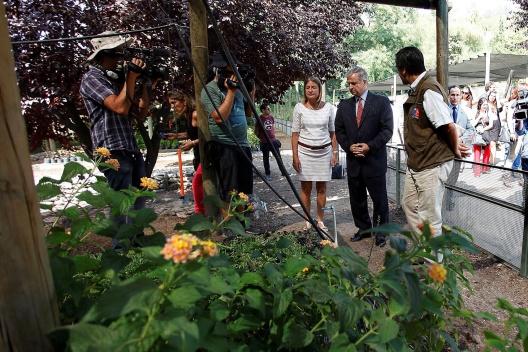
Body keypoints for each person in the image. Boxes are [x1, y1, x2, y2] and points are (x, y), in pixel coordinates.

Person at [80, 31, 157, 251]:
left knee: (138, 200)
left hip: (129, 147)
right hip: (111, 149)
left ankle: (137, 245)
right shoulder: (92, 78)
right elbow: (119, 106)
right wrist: (130, 77)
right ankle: (122, 251)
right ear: (103, 55)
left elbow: (140, 113)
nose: (121, 60)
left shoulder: (118, 80)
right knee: (122, 204)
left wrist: (147, 84)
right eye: (117, 55)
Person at [395, 47, 470, 253]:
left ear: (403, 70)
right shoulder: (417, 89)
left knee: (429, 218)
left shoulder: (428, 90)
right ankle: (426, 251)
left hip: (432, 164)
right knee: (409, 206)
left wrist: (455, 149)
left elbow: (448, 125)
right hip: (418, 163)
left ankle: (435, 272)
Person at [334, 67, 393, 247]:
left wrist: (369, 146)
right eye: (349, 84)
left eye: (354, 83)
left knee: (379, 199)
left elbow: (387, 130)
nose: (351, 87)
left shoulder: (381, 102)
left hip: (373, 160)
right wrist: (348, 146)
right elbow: (339, 130)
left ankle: (381, 232)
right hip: (354, 161)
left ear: (364, 82)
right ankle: (364, 228)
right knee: (357, 199)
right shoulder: (344, 106)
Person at [200, 50, 255, 216]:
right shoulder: (210, 90)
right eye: (231, 72)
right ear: (219, 71)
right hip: (225, 146)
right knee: (229, 190)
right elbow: (219, 117)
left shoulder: (238, 88)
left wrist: (251, 91)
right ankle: (231, 227)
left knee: (243, 189)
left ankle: (242, 226)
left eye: (236, 72)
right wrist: (230, 92)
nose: (234, 76)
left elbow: (249, 113)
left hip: (243, 145)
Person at [292, 77, 338, 231]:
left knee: (322, 188)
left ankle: (320, 220)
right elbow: (295, 134)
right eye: (307, 87)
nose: (310, 90)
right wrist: (295, 156)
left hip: (324, 152)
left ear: (319, 90)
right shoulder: (299, 108)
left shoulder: (329, 108)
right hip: (305, 152)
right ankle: (307, 220)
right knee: (306, 188)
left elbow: (333, 133)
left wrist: (335, 153)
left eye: (313, 87)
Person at [166, 91, 204, 216]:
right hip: (199, 155)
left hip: (207, 155)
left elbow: (208, 135)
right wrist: (176, 136)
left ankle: (200, 215)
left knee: (196, 183)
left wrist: (192, 143)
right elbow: (193, 133)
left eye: (174, 102)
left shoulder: (195, 114)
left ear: (184, 100)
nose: (172, 107)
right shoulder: (188, 115)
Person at [445, 85, 475, 210]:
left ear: (461, 96)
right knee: (444, 176)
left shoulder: (464, 112)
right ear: (448, 96)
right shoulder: (444, 110)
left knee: (453, 177)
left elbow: (471, 129)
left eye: (457, 95)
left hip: (458, 151)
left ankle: (449, 198)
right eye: (452, 95)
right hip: (445, 150)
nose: (455, 97)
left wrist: (461, 139)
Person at [255, 103, 282, 181]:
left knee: (278, 157)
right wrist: (261, 138)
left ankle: (283, 172)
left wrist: (273, 137)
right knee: (266, 158)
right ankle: (267, 174)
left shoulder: (271, 118)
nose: (269, 110)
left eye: (269, 109)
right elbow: (256, 131)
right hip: (264, 142)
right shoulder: (259, 119)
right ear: (263, 110)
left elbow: (272, 128)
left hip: (273, 141)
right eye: (268, 109)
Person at [471, 97, 493, 177]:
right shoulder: (475, 112)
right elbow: (472, 124)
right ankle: (477, 172)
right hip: (477, 134)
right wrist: (479, 117)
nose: (485, 106)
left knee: (487, 152)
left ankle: (485, 168)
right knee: (477, 154)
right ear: (480, 105)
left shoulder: (489, 113)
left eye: (486, 105)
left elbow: (491, 125)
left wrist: (484, 129)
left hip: (486, 134)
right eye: (484, 105)